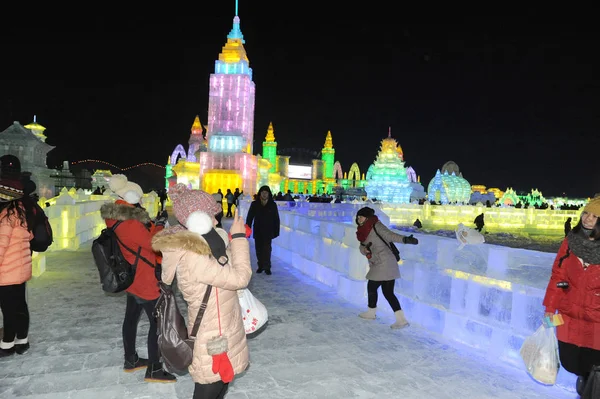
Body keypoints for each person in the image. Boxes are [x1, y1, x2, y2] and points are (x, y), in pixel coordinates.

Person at [152, 183, 251, 399]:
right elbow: (240, 278)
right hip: (212, 334)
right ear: (197, 220)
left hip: (223, 324)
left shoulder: (206, 245)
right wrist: (240, 239)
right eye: (211, 216)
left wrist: (232, 241)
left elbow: (227, 266)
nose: (216, 221)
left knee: (222, 383)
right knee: (209, 387)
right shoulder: (193, 256)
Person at [101, 174, 174, 382]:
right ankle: (154, 369)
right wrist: (159, 225)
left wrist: (151, 223)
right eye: (139, 199)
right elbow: (153, 243)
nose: (142, 202)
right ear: (131, 199)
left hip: (132, 276)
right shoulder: (130, 223)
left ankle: (131, 359)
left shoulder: (117, 217)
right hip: (144, 277)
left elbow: (138, 240)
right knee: (157, 323)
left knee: (131, 318)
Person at [543, 197, 600, 395]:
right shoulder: (570, 242)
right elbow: (558, 276)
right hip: (568, 316)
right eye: (586, 213)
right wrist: (550, 308)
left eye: (595, 216)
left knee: (594, 368)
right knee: (571, 363)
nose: (588, 219)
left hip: (596, 321)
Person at [355, 207, 419, 329]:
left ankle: (371, 312)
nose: (359, 219)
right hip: (379, 262)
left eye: (361, 217)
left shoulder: (376, 226)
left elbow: (390, 236)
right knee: (388, 292)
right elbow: (361, 247)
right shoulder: (362, 231)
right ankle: (401, 320)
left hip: (384, 262)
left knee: (372, 286)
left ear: (367, 217)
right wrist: (365, 250)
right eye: (358, 217)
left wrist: (405, 239)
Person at [0, 178, 33, 357]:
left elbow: (1, 246)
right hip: (19, 269)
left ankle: (7, 344)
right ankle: (22, 340)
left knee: (8, 309)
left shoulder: (6, 217)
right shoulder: (20, 213)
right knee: (20, 305)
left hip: (7, 271)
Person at [245, 185, 280, 275]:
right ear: (260, 194)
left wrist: (276, 231)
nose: (264, 195)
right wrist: (247, 229)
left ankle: (267, 267)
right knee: (259, 249)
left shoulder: (272, 204)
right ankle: (260, 266)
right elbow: (250, 217)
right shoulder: (255, 204)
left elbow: (276, 218)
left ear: (269, 194)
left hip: (268, 230)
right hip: (258, 229)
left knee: (267, 249)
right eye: (263, 193)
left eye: (266, 193)